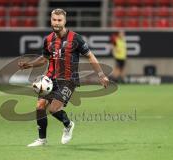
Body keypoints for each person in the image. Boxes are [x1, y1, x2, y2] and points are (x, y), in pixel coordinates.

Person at [18, 8, 109, 147]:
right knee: (40, 106)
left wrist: (101, 75)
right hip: (50, 79)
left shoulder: (76, 38)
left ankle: (68, 124)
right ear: (51, 20)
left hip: (68, 80)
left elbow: (90, 56)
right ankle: (42, 140)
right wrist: (28, 65)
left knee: (53, 109)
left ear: (65, 21)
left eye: (59, 20)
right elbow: (44, 59)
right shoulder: (48, 39)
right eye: (54, 20)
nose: (56, 23)